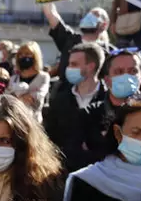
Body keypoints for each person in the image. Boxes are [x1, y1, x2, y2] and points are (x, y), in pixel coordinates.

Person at [45, 42, 110, 172]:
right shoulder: (60, 99)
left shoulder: (109, 99)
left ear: (91, 66)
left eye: (74, 64)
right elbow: (51, 136)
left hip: (101, 172)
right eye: (69, 64)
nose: (69, 68)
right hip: (64, 171)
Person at [43, 2, 113, 83]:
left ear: (104, 25)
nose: (89, 17)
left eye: (95, 15)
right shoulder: (69, 39)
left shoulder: (109, 52)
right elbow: (50, 14)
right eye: (89, 14)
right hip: (64, 93)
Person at [5, 41, 50, 122]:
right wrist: (21, 98)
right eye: (20, 54)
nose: (23, 57)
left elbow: (39, 96)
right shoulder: (13, 78)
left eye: (27, 54)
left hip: (34, 121)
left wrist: (17, 97)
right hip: (15, 120)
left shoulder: (43, 77)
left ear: (35, 56)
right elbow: (7, 98)